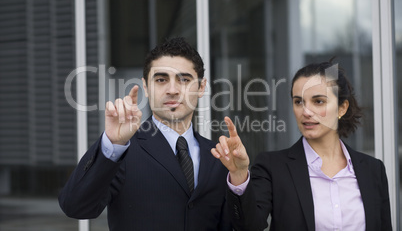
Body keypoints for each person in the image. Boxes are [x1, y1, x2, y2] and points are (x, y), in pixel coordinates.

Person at [59, 37, 231, 231]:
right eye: (161, 80)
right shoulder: (121, 152)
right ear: (146, 87)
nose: (172, 90)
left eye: (183, 79)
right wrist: (112, 144)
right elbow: (75, 207)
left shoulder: (218, 157)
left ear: (201, 87)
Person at [211, 61, 392, 231]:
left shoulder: (373, 170)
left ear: (342, 108)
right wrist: (239, 174)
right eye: (298, 102)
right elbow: (248, 226)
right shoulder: (273, 167)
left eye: (318, 101)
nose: (305, 111)